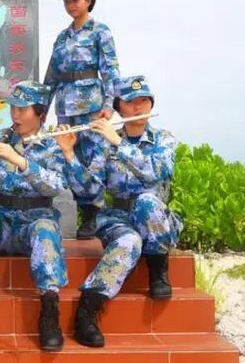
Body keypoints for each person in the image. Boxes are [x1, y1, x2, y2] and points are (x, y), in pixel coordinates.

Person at [62, 75, 183, 348]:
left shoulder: (164, 139)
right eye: (131, 102)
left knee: (147, 202)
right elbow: (89, 189)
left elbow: (156, 172)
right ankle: (87, 311)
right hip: (118, 218)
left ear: (151, 104)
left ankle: (158, 269)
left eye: (144, 101)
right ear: (119, 107)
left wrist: (119, 143)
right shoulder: (105, 143)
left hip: (157, 220)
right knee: (129, 241)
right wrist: (70, 154)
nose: (138, 107)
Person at [0, 81, 71, 351]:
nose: (15, 115)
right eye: (13, 109)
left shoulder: (54, 144)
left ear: (40, 112)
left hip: (34, 222)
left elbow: (55, 185)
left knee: (45, 227)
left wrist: (21, 161)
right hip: (3, 223)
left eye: (23, 109)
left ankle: (49, 310)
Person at [43, 0, 120, 239]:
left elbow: (110, 71)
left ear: (88, 0)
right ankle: (83, 210)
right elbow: (51, 75)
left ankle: (95, 212)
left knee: (95, 158)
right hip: (66, 107)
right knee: (70, 157)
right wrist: (42, 108)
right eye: (66, 1)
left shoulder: (100, 31)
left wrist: (109, 105)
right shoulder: (62, 37)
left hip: (92, 107)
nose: (71, 5)